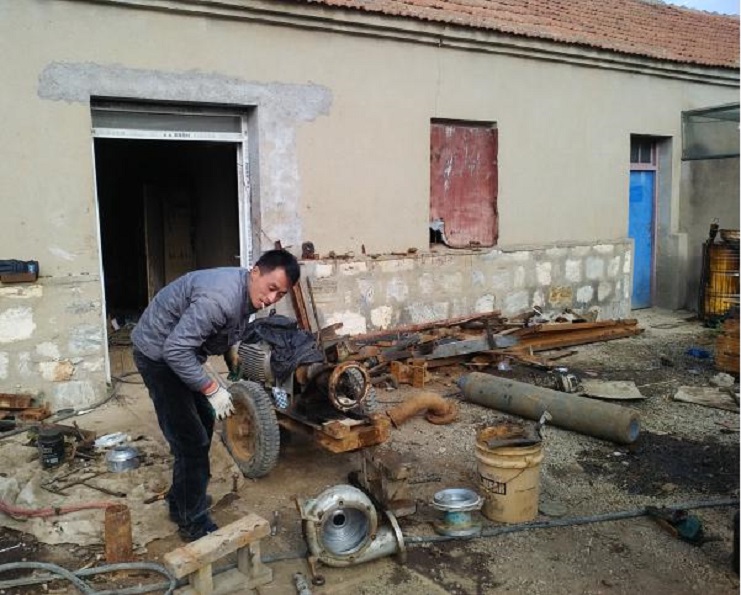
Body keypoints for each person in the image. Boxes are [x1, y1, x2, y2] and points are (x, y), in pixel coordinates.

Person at [131, 249, 300, 541]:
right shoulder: (219, 300)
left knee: (204, 422)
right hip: (157, 355)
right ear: (255, 271)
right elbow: (175, 350)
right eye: (272, 288)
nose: (272, 298)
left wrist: (229, 354)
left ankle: (183, 497)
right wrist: (211, 388)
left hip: (182, 351)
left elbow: (223, 329)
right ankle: (191, 521)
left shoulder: (247, 293)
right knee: (190, 440)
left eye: (281, 294)